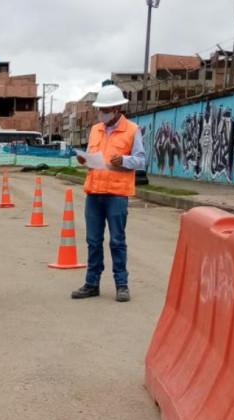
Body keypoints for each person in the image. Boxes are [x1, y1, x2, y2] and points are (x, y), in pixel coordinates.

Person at [71, 84, 146, 303]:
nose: (101, 113)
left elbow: (141, 160)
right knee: (93, 241)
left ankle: (121, 284)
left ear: (117, 109)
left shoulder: (132, 130)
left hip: (116, 193)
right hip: (94, 192)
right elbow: (92, 157)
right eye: (100, 110)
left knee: (117, 241)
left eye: (105, 110)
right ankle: (92, 283)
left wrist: (124, 160)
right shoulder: (96, 129)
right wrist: (84, 160)